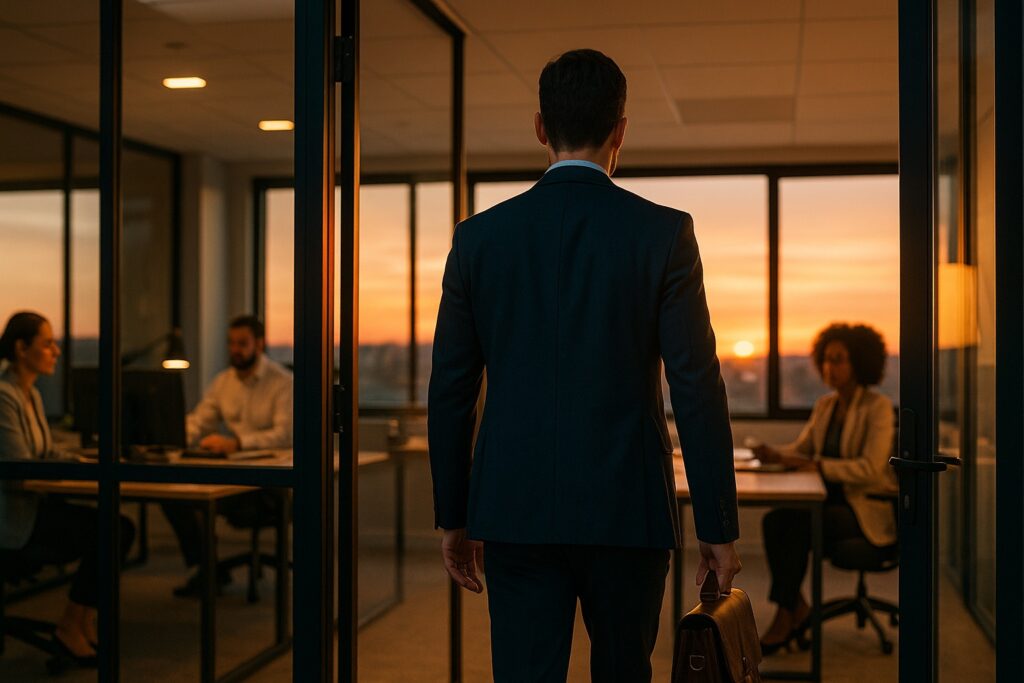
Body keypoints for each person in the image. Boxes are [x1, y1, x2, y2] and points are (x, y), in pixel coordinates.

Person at [428, 49, 741, 683]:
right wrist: (717, 524)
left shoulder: (478, 239)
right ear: (620, 130)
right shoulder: (663, 233)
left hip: (513, 508)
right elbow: (697, 388)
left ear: (540, 127)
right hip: (628, 509)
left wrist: (454, 515)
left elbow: (451, 390)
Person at [0, 311, 135, 666]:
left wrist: (85, 462)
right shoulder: (4, 397)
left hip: (34, 506)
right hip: (14, 520)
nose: (56, 351)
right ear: (21, 348)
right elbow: (19, 468)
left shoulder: (29, 394)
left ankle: (81, 621)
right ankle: (71, 625)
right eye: (47, 344)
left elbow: (44, 453)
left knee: (116, 527)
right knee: (112, 530)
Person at [753, 323, 896, 654]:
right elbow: (802, 450)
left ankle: (786, 616)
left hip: (862, 509)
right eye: (826, 360)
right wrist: (774, 455)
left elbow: (871, 468)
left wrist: (819, 466)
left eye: (839, 359)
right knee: (775, 521)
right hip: (828, 503)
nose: (830, 367)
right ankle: (795, 606)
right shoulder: (826, 406)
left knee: (790, 524)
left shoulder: (877, 407)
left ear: (859, 362)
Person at [160, 314, 292, 597]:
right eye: (231, 343)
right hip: (233, 476)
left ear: (259, 344)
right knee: (173, 496)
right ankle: (207, 568)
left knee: (198, 499)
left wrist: (238, 443)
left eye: (242, 343)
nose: (235, 350)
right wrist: (170, 438)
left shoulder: (282, 382)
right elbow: (200, 421)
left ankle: (209, 571)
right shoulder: (223, 382)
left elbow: (284, 435)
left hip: (271, 484)